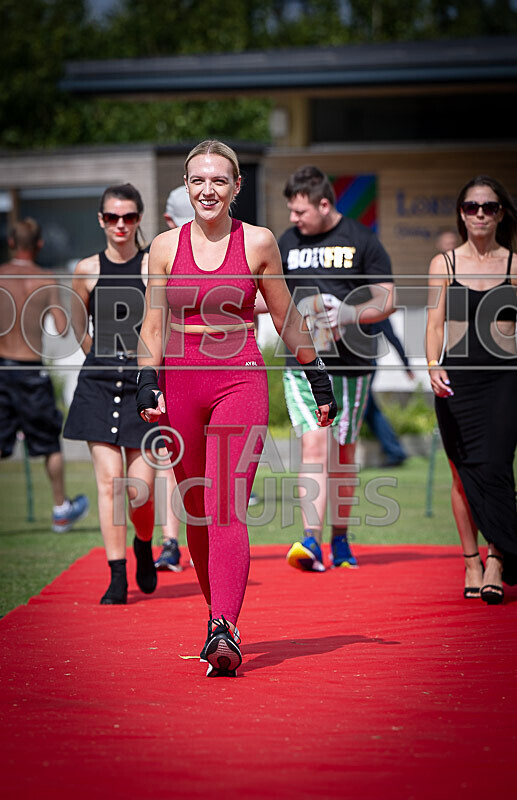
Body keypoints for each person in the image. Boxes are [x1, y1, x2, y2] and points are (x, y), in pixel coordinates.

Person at [137, 140, 336, 677]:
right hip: (178, 384)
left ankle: (224, 626)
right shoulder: (161, 248)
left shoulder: (258, 243)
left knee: (226, 504)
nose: (208, 190)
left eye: (219, 181)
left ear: (236, 187)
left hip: (240, 378)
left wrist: (317, 375)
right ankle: (217, 612)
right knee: (197, 509)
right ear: (185, 187)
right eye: (198, 181)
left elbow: (286, 314)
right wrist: (144, 381)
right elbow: (152, 326)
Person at [278, 166, 394, 573]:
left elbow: (387, 299)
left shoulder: (361, 239)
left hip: (353, 364)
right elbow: (266, 294)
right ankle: (310, 540)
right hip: (303, 363)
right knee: (314, 444)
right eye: (290, 211)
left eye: (300, 211)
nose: (293, 219)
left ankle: (340, 539)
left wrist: (347, 313)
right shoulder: (286, 243)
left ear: (324, 204)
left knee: (343, 455)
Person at [64, 184, 162, 605]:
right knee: (108, 483)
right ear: (101, 220)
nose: (120, 225)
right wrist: (102, 359)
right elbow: (76, 324)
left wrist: (144, 371)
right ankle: (117, 575)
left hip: (144, 386)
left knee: (139, 491)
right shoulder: (86, 269)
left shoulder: (151, 267)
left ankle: (144, 543)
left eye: (129, 217)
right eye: (112, 217)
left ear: (139, 218)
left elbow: (162, 327)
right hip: (99, 386)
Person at [426, 175, 517, 604]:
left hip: (504, 379)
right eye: (471, 207)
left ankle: (498, 556)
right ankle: (471, 562)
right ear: (461, 214)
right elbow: (434, 323)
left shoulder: (515, 264)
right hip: (457, 380)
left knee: (498, 467)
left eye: (489, 207)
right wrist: (431, 364)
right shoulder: (443, 263)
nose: (480, 214)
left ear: (501, 214)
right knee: (462, 476)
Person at [0, 219, 89, 532]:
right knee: (48, 442)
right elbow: (62, 327)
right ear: (38, 245)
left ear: (11, 243)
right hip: (31, 370)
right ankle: (60, 507)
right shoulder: (46, 278)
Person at [153, 185, 197, 572]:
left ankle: (170, 542)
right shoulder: (164, 250)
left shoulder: (162, 249)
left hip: (178, 367)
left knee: (172, 460)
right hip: (174, 368)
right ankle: (170, 540)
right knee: (172, 460)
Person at [363, 317, 415, 468]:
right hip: (354, 363)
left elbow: (391, 335)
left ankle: (395, 452)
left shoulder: (374, 307)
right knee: (370, 410)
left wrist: (407, 365)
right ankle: (395, 452)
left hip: (365, 364)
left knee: (360, 409)